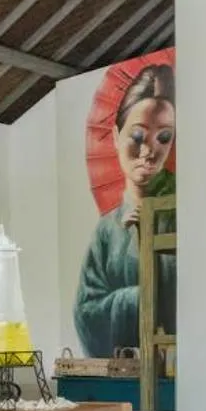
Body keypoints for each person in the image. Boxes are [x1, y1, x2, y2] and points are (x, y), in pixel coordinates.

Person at [74, 62, 176, 360]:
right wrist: (135, 299)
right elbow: (86, 312)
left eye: (164, 137)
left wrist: (151, 242)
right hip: (125, 369)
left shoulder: (187, 209)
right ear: (117, 135)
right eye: (138, 136)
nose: (149, 150)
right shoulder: (108, 228)